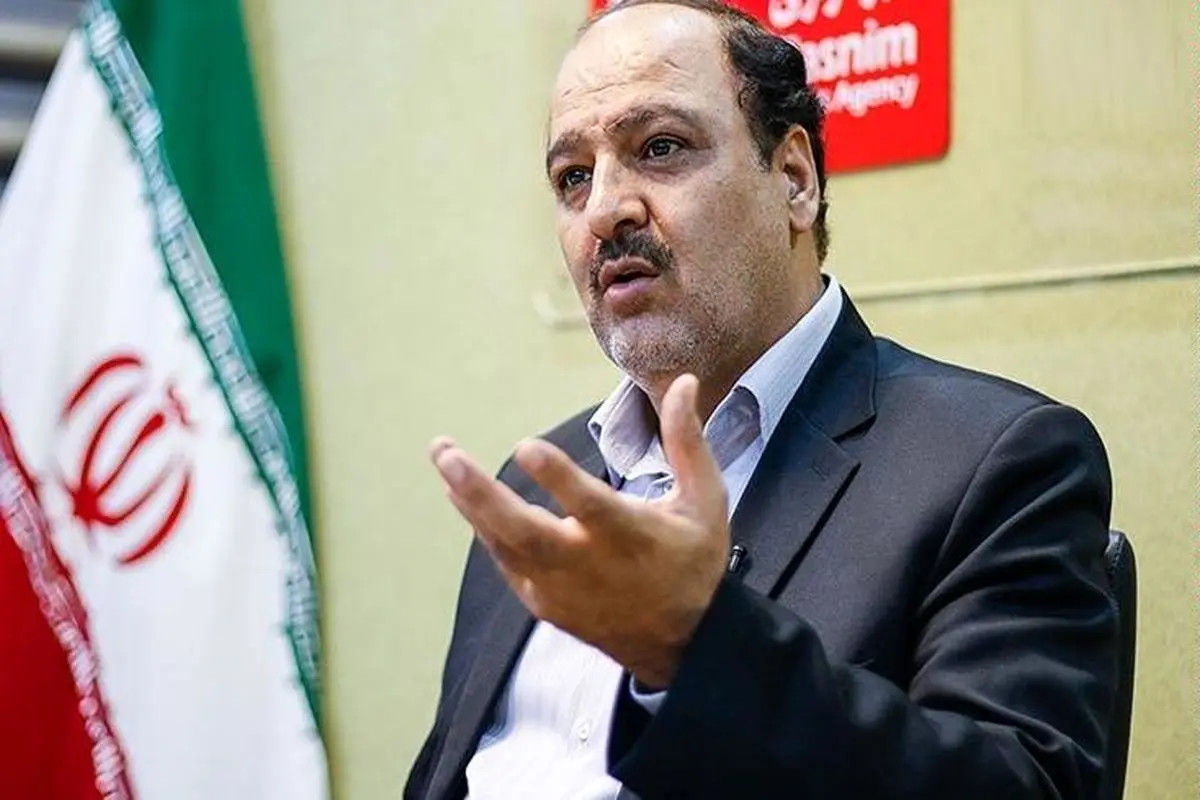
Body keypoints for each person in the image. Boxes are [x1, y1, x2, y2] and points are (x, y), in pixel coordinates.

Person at [405, 1, 1120, 798]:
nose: (604, 209)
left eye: (660, 147)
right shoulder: (537, 487)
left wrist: (694, 645)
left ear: (794, 181)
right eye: (573, 176)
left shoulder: (995, 463)